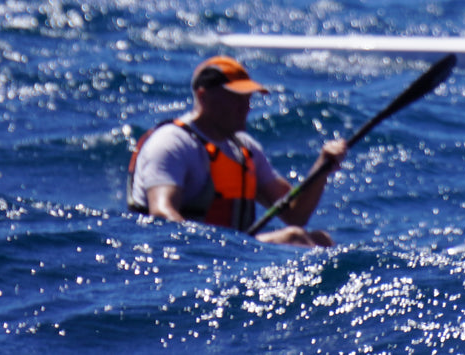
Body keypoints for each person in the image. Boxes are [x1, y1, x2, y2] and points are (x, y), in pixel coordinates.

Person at [127, 56, 348, 247]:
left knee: (321, 240)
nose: (246, 107)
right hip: (182, 259)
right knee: (295, 238)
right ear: (203, 97)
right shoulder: (171, 143)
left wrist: (322, 167)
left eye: (248, 98)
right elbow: (163, 218)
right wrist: (216, 249)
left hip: (230, 255)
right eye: (235, 98)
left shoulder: (244, 148)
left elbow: (296, 214)